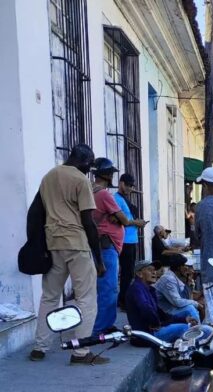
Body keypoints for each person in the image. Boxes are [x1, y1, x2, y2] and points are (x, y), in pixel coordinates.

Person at [30, 144, 109, 365]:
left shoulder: (48, 176)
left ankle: (40, 347)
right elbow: (88, 222)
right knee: (86, 298)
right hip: (76, 243)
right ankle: (81, 352)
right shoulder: (80, 180)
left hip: (53, 243)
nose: (89, 170)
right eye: (89, 165)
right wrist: (99, 260)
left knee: (50, 296)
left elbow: (37, 211)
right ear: (83, 161)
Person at [90, 157, 128, 336]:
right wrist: (117, 218)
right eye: (111, 173)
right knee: (108, 288)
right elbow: (124, 219)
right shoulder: (104, 194)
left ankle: (105, 324)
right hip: (107, 245)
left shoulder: (92, 191)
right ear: (105, 174)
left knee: (105, 287)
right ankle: (100, 329)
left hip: (102, 244)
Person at [126, 260, 197, 343]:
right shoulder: (137, 288)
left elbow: (161, 314)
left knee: (188, 320)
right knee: (186, 329)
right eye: (150, 270)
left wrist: (184, 319)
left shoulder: (148, 289)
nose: (154, 273)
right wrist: (155, 323)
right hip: (146, 335)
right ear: (139, 274)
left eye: (155, 270)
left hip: (152, 330)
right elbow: (146, 308)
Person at [114, 173, 148, 309]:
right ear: (121, 183)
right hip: (124, 240)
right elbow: (118, 220)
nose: (130, 188)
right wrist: (136, 222)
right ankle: (123, 301)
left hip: (131, 239)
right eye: (128, 185)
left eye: (132, 186)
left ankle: (124, 299)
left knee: (129, 273)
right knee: (126, 273)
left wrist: (138, 222)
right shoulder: (116, 199)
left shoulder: (124, 199)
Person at [154, 254, 202, 322]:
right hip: (165, 313)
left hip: (172, 310)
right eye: (185, 266)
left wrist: (189, 286)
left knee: (195, 305)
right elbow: (178, 302)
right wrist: (196, 303)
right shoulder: (168, 279)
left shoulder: (176, 278)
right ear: (179, 267)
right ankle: (199, 330)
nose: (188, 269)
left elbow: (187, 299)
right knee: (190, 308)